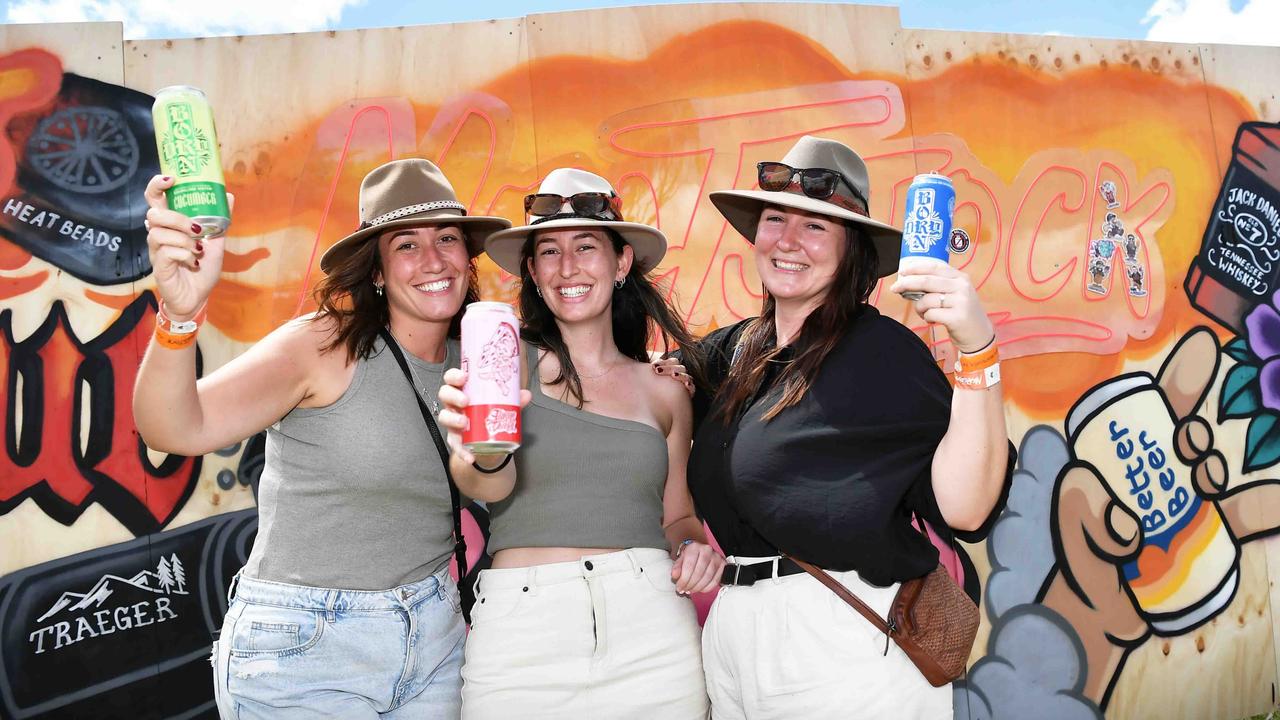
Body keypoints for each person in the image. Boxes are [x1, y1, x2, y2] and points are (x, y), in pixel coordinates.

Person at [132, 159, 511, 719]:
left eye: (448, 238)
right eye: (406, 245)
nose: (434, 260)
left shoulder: (481, 358)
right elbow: (173, 428)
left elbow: (586, 375)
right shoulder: (322, 346)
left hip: (435, 642)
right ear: (376, 272)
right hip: (306, 648)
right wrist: (179, 316)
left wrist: (672, 372)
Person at [685, 136, 1015, 719]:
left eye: (815, 227)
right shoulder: (733, 353)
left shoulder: (883, 352)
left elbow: (967, 510)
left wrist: (977, 350)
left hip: (842, 639)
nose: (788, 241)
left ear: (851, 250)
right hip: (734, 637)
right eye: (775, 218)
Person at [435, 168, 721, 719]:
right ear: (533, 271)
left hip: (652, 632)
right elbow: (477, 478)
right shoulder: (499, 360)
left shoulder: (667, 390)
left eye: (586, 246)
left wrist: (693, 550)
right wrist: (482, 454)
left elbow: (678, 518)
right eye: (549, 250)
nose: (568, 267)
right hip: (520, 636)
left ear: (621, 263)